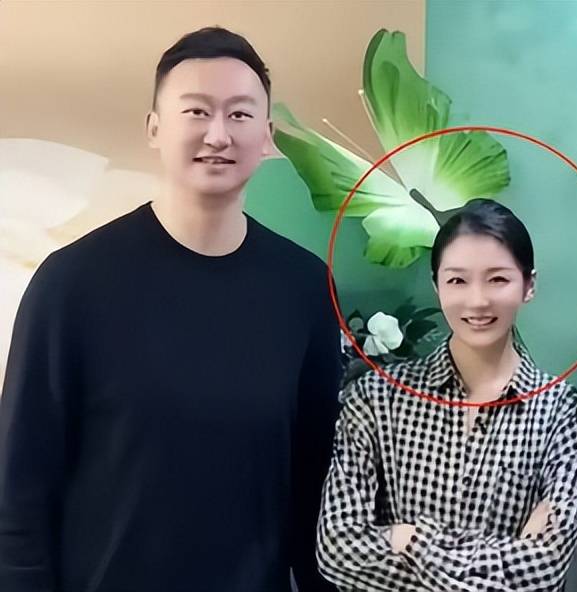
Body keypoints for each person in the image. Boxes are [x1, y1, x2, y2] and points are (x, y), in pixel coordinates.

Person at [0, 26, 341, 592]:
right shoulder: (72, 283)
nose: (218, 134)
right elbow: (20, 487)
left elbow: (314, 484)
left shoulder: (304, 288)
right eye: (196, 111)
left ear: (266, 137)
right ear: (155, 128)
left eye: (239, 114)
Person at [317, 199, 577, 591]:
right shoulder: (375, 399)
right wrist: (506, 555)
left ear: (529, 285)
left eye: (497, 279)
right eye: (458, 281)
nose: (477, 300)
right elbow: (337, 549)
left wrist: (411, 539)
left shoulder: (559, 411)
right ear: (436, 285)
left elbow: (544, 569)